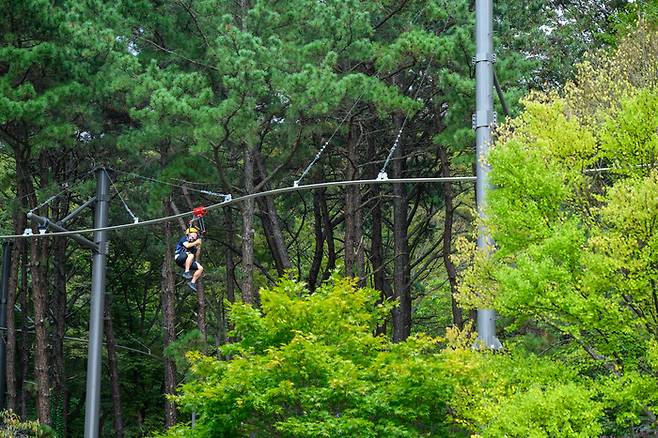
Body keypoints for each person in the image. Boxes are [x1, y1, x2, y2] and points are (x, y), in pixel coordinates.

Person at [175, 227, 204, 291]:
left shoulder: (193, 244)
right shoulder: (184, 238)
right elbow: (187, 245)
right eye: (195, 233)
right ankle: (186, 272)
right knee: (191, 255)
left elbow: (197, 255)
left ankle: (192, 282)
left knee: (200, 268)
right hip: (179, 257)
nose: (196, 235)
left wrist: (198, 246)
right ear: (190, 234)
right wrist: (196, 242)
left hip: (186, 262)